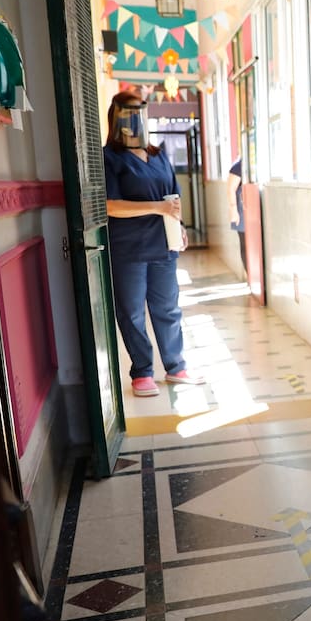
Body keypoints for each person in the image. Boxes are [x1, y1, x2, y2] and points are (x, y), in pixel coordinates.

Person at [103, 91, 205, 397]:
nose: (136, 119)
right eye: (129, 112)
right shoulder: (110, 158)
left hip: (163, 246)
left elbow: (173, 198)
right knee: (132, 312)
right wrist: (156, 207)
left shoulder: (159, 155)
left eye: (140, 112)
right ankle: (142, 372)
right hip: (128, 249)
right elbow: (110, 205)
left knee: (168, 308)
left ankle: (176, 367)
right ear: (117, 117)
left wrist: (179, 226)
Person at [227, 157, 247, 273]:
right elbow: (230, 189)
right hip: (241, 212)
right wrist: (234, 211)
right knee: (245, 245)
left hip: (249, 211)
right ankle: (250, 275)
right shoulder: (238, 166)